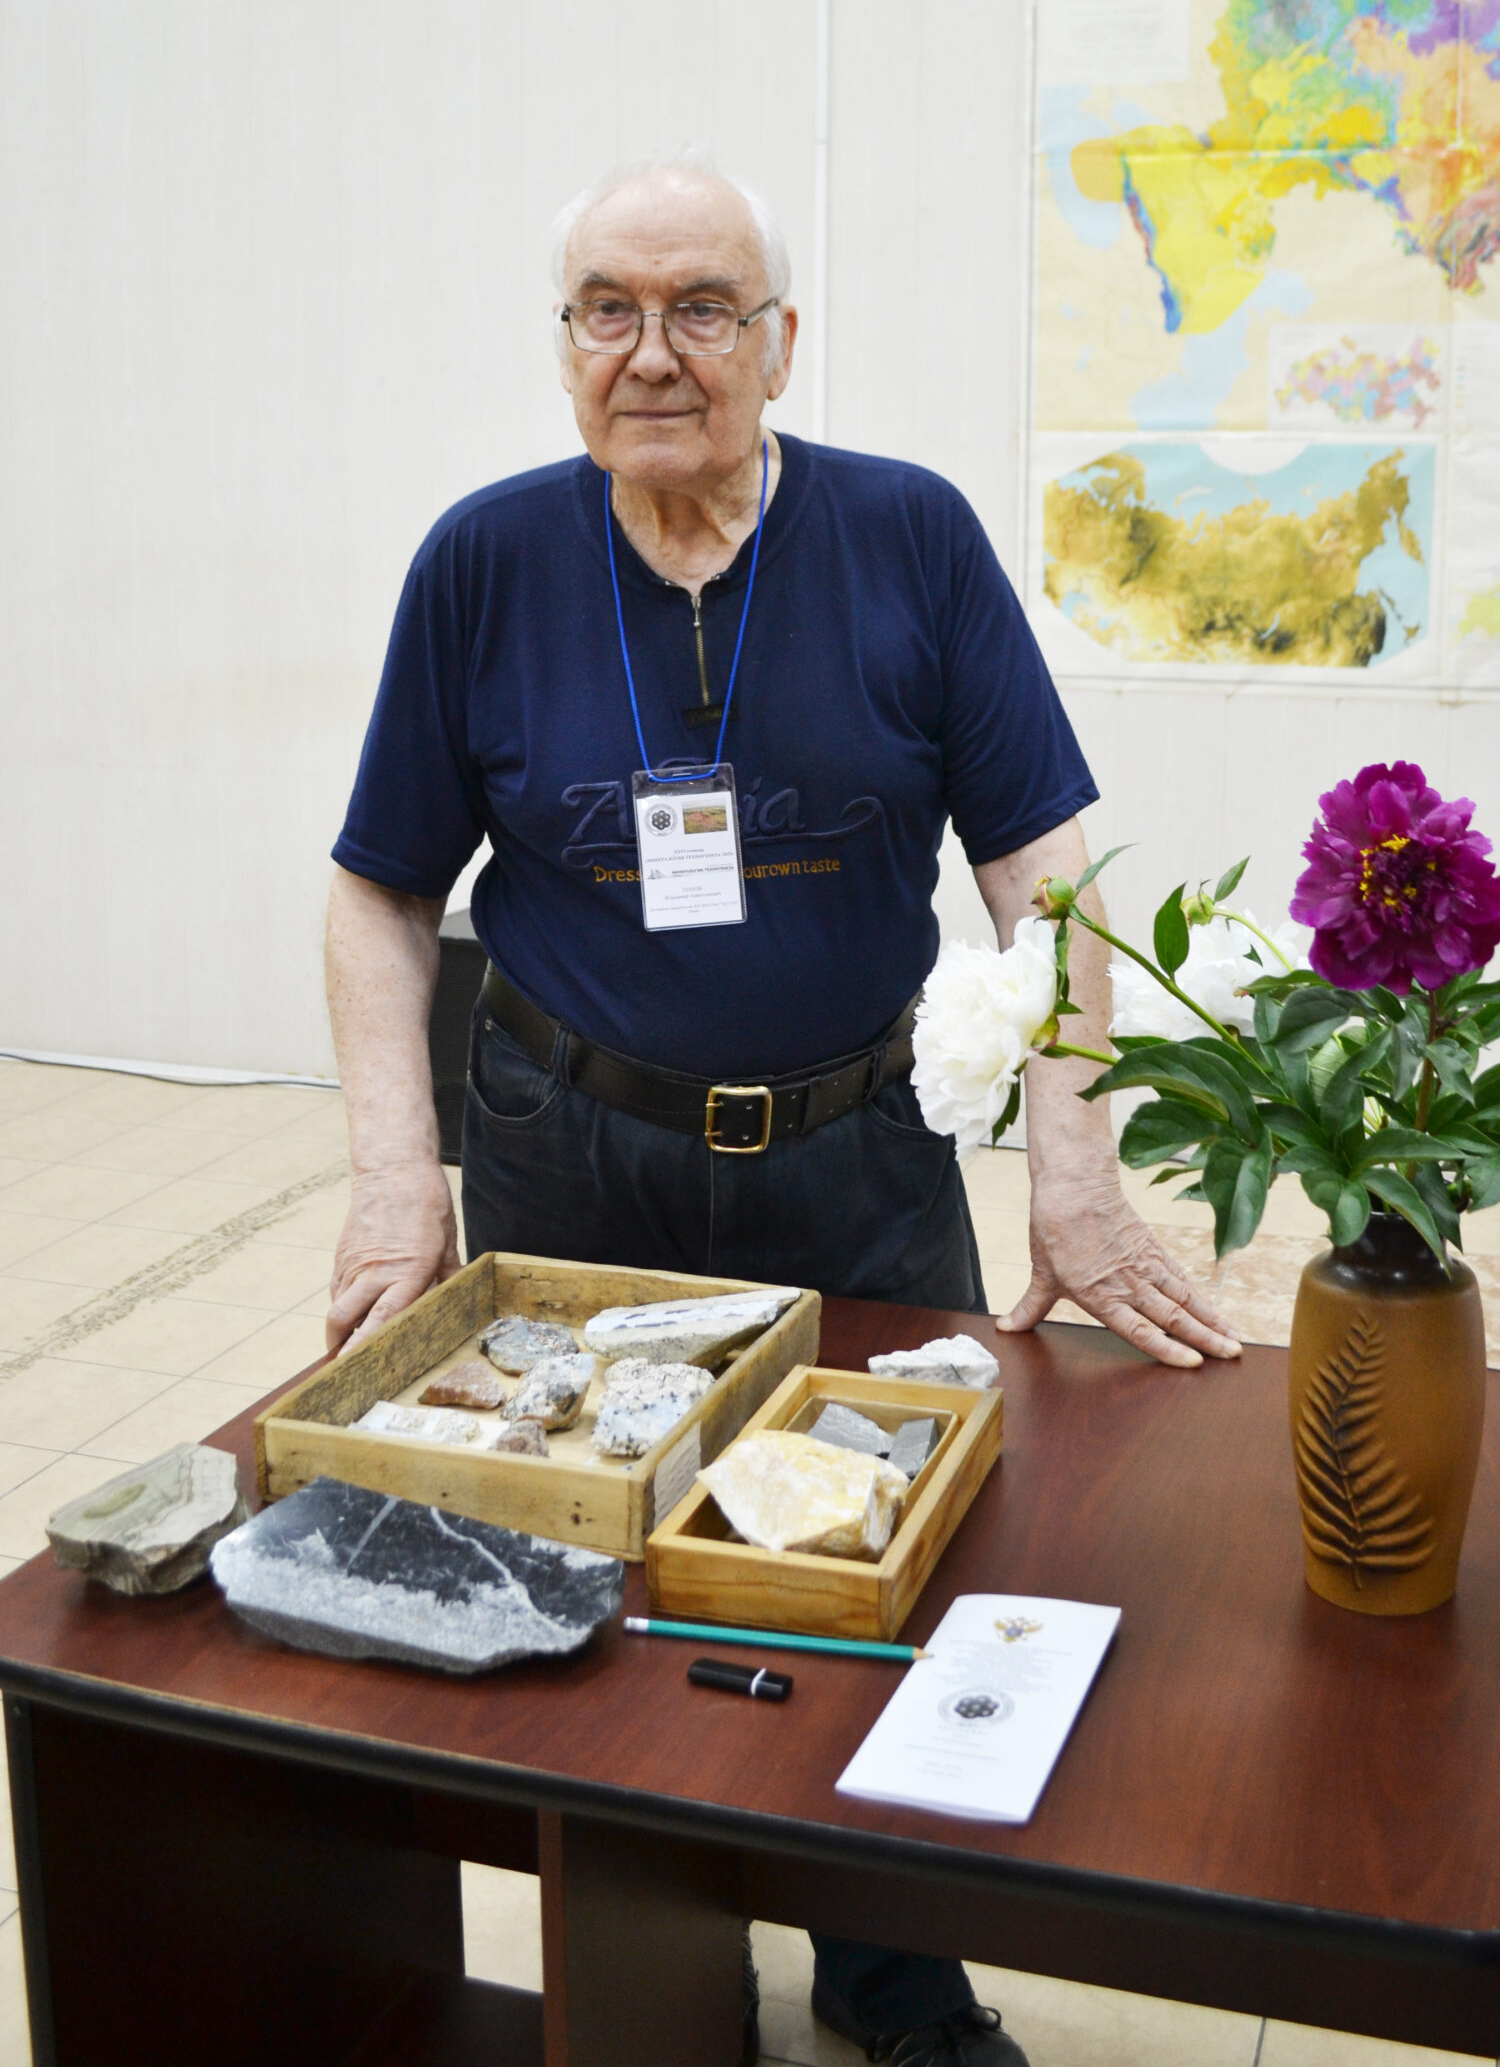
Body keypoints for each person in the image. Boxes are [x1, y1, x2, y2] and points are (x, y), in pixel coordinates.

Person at [324, 155, 1238, 2067]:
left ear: (782, 341)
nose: (653, 353)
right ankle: (653, 1977)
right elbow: (380, 891)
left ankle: (891, 1970)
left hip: (858, 1155)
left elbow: (1047, 876)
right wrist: (397, 1183)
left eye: (703, 309)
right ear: (565, 343)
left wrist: (1076, 1175)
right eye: (609, 309)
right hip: (572, 1160)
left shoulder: (907, 536)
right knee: (591, 1562)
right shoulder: (483, 561)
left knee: (889, 1553)